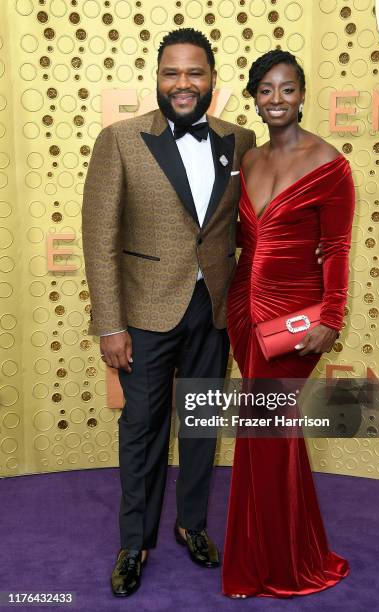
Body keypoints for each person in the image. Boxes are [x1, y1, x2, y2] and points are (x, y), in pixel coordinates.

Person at [82, 28, 256, 597]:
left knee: (202, 428)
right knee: (143, 432)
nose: (183, 84)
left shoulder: (240, 140)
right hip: (145, 314)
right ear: (158, 78)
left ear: (212, 79)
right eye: (172, 73)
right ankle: (135, 543)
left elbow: (249, 229)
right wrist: (110, 323)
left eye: (194, 73)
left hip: (213, 314)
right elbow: (99, 239)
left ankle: (193, 525)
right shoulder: (121, 140)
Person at [222, 50, 355, 598]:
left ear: (303, 95)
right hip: (242, 310)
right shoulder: (247, 160)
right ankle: (279, 549)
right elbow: (235, 236)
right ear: (255, 96)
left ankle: (281, 565)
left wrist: (332, 316)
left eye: (288, 89)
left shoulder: (330, 163)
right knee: (268, 436)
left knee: (267, 433)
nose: (277, 100)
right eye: (266, 90)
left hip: (297, 318)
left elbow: (338, 247)